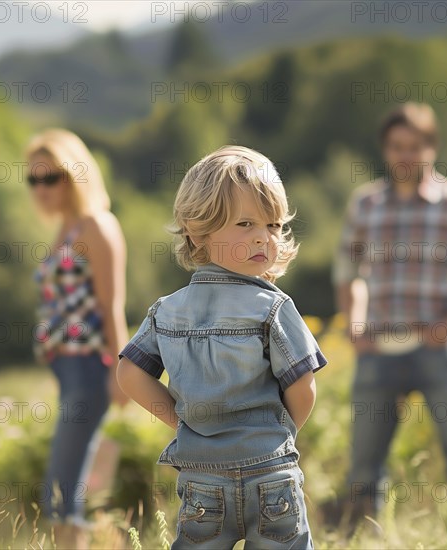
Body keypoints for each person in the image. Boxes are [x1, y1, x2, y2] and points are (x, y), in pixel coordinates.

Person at [116, 145, 328, 549]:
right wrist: (274, 434)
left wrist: (181, 423)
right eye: (245, 223)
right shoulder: (275, 307)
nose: (262, 238)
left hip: (203, 479)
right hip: (271, 472)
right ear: (198, 231)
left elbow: (129, 373)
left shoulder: (167, 310)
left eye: (273, 225)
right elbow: (304, 388)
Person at [332, 102, 447, 535]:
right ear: (385, 150)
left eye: (414, 147)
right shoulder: (365, 203)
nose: (405, 155)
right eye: (396, 146)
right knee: (364, 452)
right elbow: (348, 273)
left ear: (431, 148)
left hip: (437, 348)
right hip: (378, 349)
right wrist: (354, 323)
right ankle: (362, 531)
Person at [26, 128, 129, 548]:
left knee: (61, 486)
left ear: (75, 175)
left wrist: (121, 373)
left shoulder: (96, 227)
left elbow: (112, 304)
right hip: (68, 370)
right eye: (34, 180)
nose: (42, 189)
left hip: (89, 368)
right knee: (68, 481)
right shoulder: (65, 230)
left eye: (52, 178)